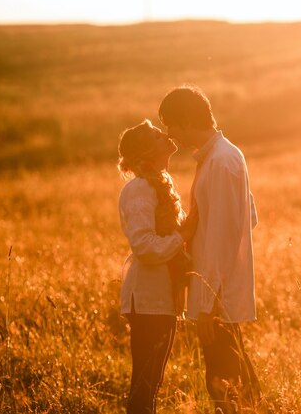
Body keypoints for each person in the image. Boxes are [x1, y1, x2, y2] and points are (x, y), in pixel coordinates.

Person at [159, 85, 261, 413]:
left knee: (224, 384)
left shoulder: (221, 161)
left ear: (187, 121)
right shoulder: (220, 156)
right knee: (233, 380)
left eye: (170, 125)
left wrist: (209, 301)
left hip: (216, 296)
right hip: (217, 290)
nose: (169, 134)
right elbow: (248, 217)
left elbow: (223, 234)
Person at [117, 119, 196, 414]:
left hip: (161, 299)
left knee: (152, 382)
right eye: (156, 134)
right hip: (148, 299)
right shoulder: (139, 189)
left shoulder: (160, 185)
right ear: (148, 150)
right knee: (145, 385)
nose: (166, 135)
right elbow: (145, 247)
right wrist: (182, 236)